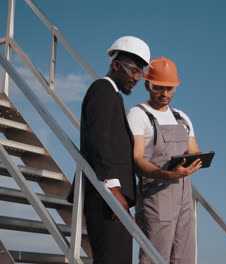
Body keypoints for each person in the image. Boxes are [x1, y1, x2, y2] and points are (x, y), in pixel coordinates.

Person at [70, 36, 150, 264]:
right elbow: (99, 139)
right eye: (133, 71)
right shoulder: (102, 89)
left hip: (111, 195)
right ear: (116, 65)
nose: (136, 78)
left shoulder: (112, 95)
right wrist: (114, 190)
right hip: (105, 195)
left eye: (140, 73)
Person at [127, 57, 202, 264]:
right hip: (156, 193)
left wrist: (196, 161)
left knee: (185, 255)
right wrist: (168, 173)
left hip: (184, 192)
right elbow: (137, 159)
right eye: (159, 88)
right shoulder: (138, 114)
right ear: (147, 85)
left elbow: (193, 150)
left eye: (169, 88)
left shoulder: (182, 117)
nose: (164, 93)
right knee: (155, 255)